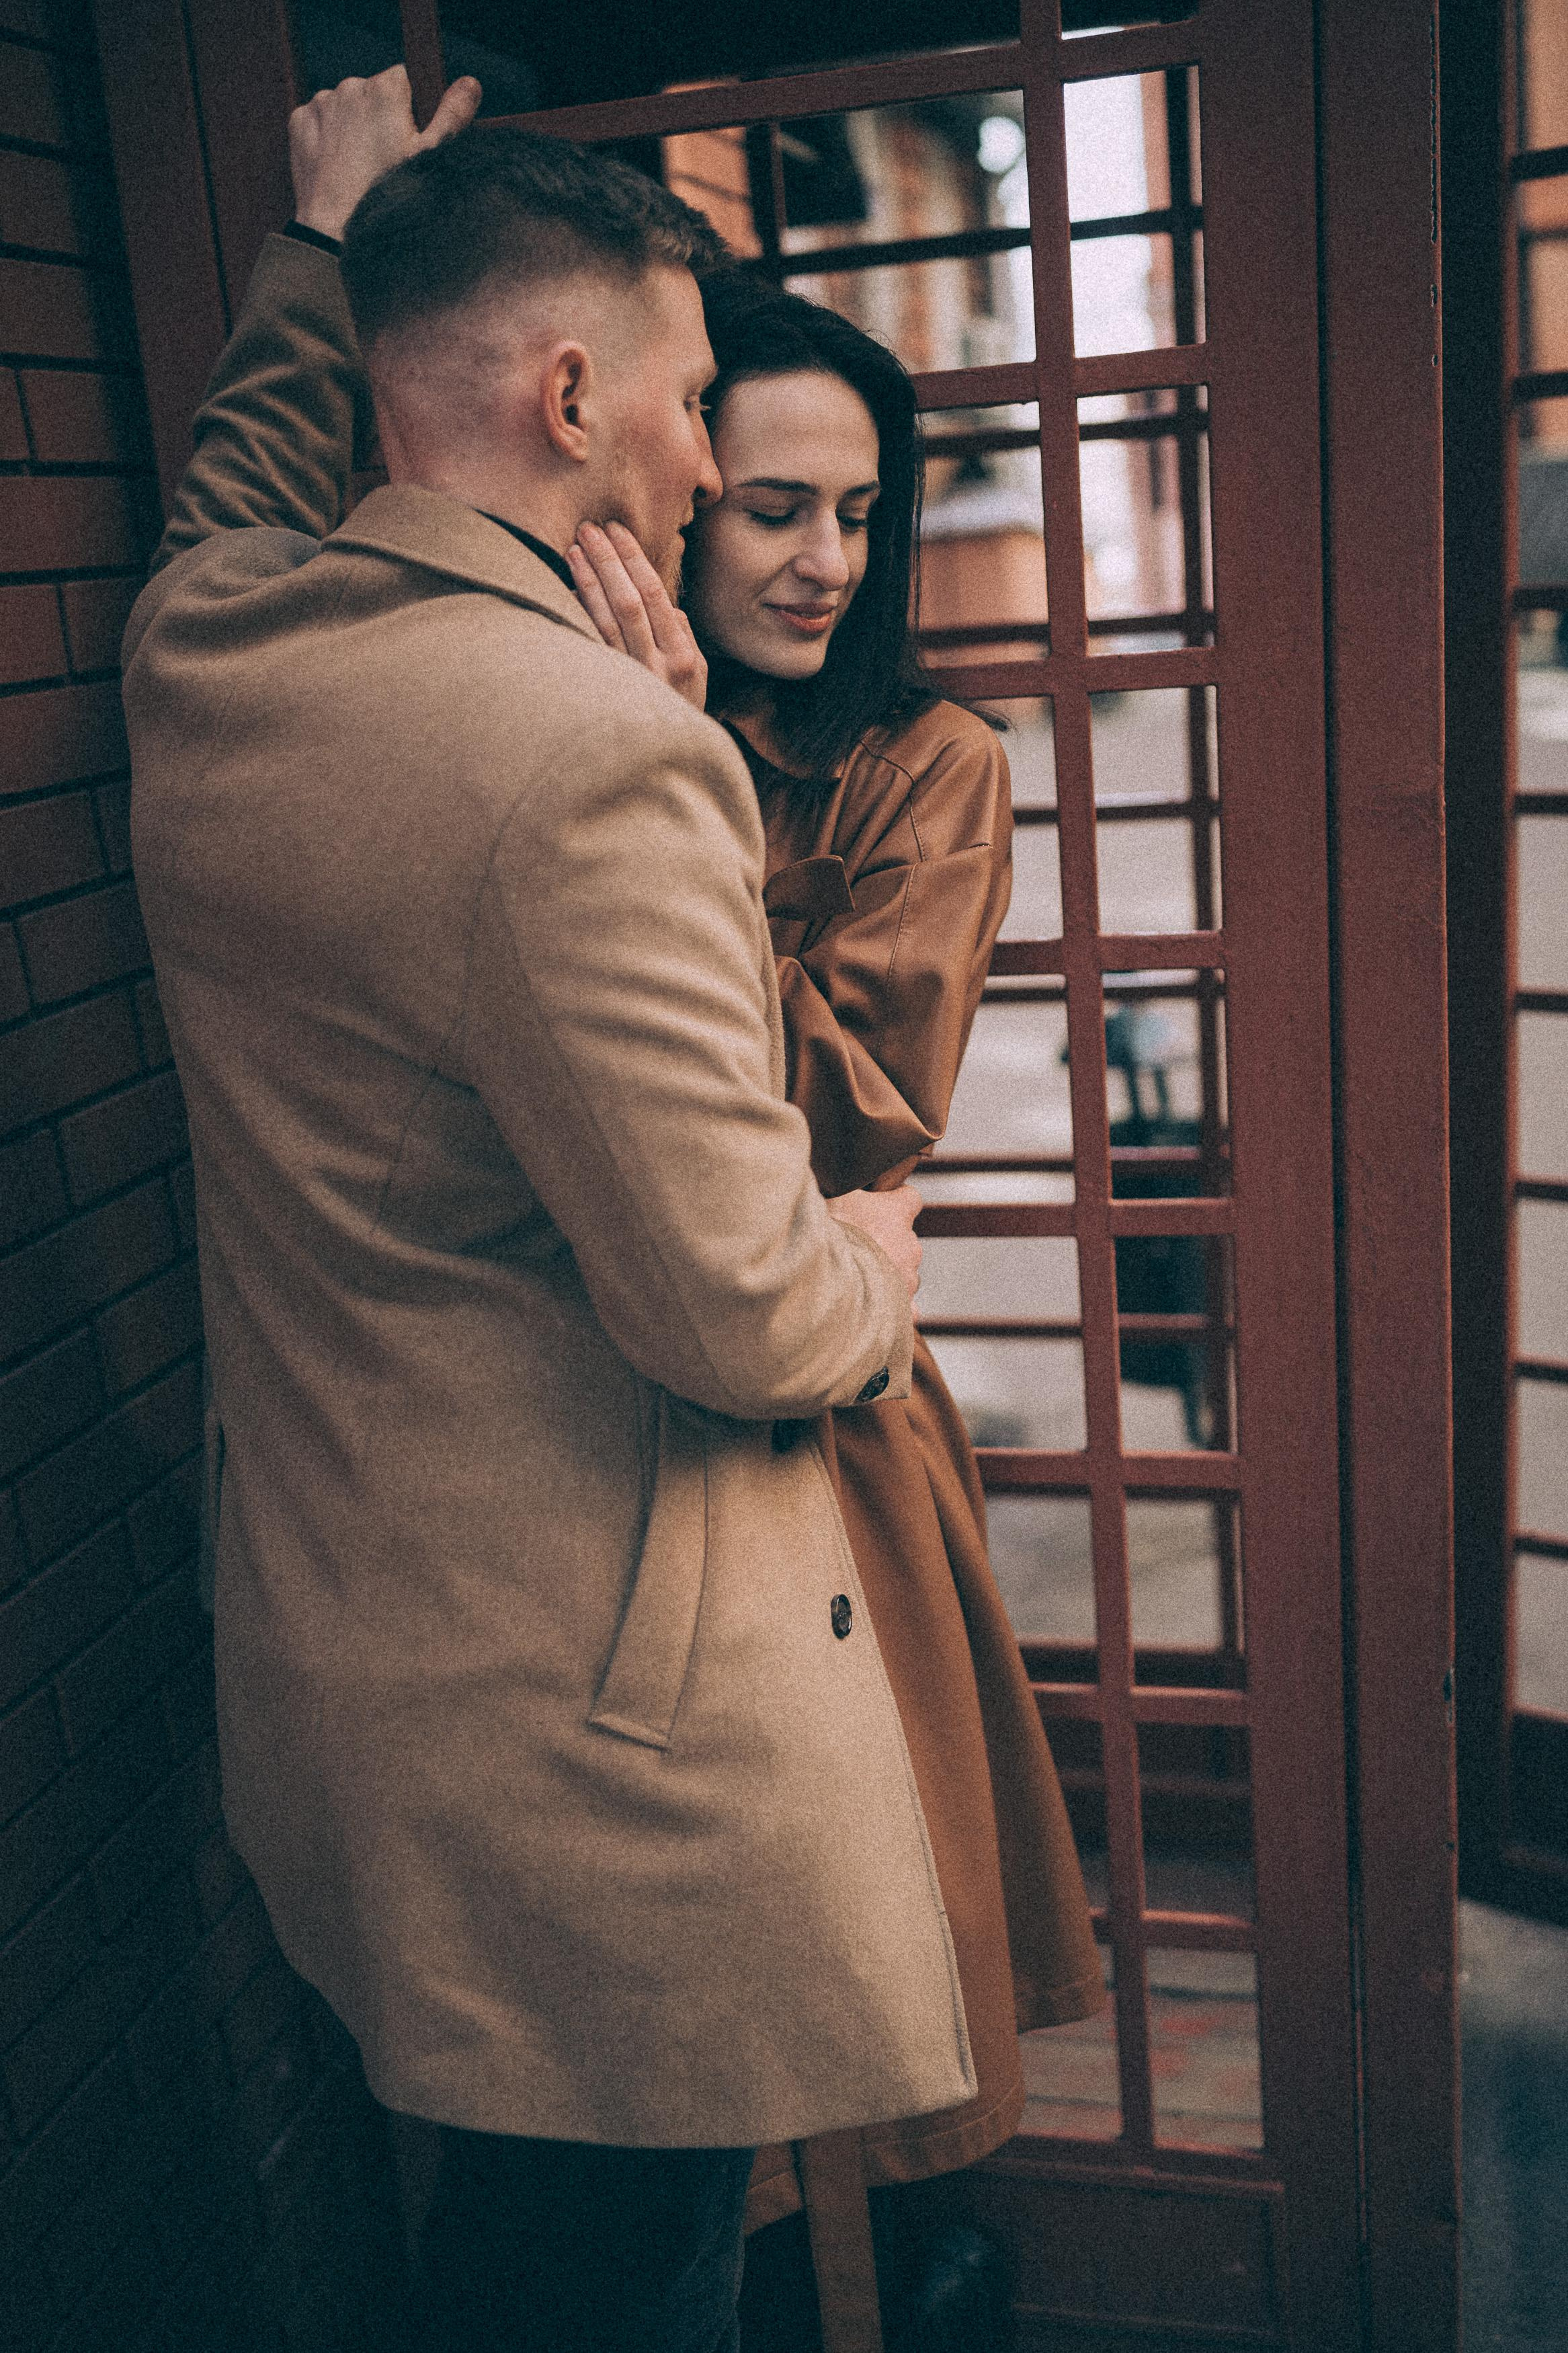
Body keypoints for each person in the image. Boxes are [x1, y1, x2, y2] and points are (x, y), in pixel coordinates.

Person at [124, 79, 982, 2353]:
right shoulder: (601, 760)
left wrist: (322, 258)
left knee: (507, 2254)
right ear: (576, 392)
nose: (713, 474)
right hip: (595, 1764)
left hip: (345, 1676)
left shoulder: (201, 647)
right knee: (618, 2286)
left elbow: (231, 485)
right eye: (703, 408)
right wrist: (881, 1267)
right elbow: (750, 1316)